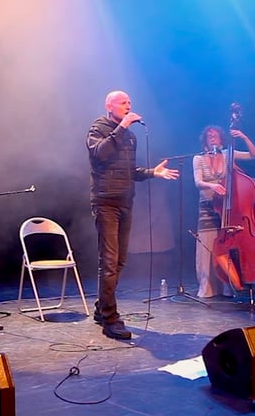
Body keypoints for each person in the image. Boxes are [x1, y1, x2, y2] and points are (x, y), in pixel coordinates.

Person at [87, 90, 180, 340]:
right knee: (109, 261)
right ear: (109, 106)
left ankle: (101, 307)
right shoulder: (98, 128)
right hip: (105, 203)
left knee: (119, 261)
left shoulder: (130, 137)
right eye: (123, 103)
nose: (128, 106)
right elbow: (99, 154)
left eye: (129, 102)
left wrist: (152, 173)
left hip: (125, 203)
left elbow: (130, 171)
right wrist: (122, 127)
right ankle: (110, 318)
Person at [192, 125, 255, 298]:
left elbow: (254, 155)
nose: (212, 137)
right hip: (208, 206)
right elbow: (198, 182)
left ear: (221, 139)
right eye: (209, 136)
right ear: (205, 140)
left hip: (226, 207)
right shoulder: (198, 158)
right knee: (207, 246)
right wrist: (212, 185)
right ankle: (207, 287)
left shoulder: (228, 154)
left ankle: (229, 284)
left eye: (215, 135)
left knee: (226, 246)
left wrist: (244, 137)